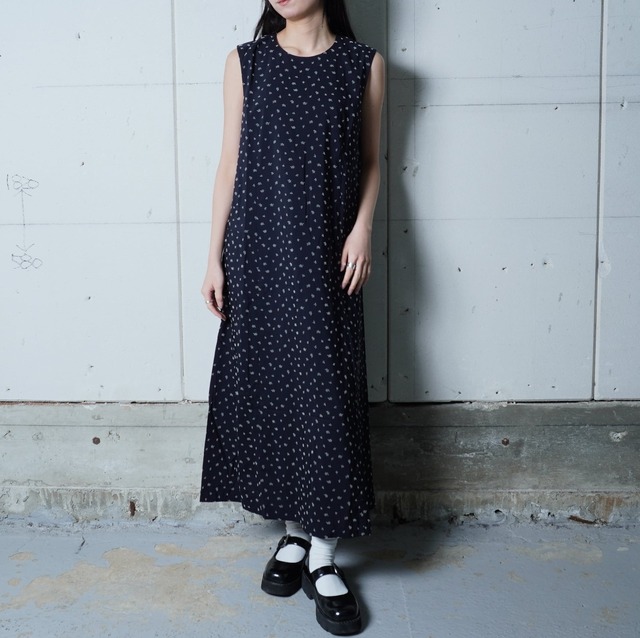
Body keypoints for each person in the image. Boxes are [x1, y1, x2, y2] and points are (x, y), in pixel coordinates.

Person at [199, 0, 384, 634]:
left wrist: (362, 229)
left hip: (329, 254)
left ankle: (325, 557)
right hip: (258, 253)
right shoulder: (245, 63)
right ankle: (295, 536)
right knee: (276, 392)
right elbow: (229, 161)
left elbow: (370, 160)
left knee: (326, 396)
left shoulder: (362, 65)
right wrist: (214, 257)